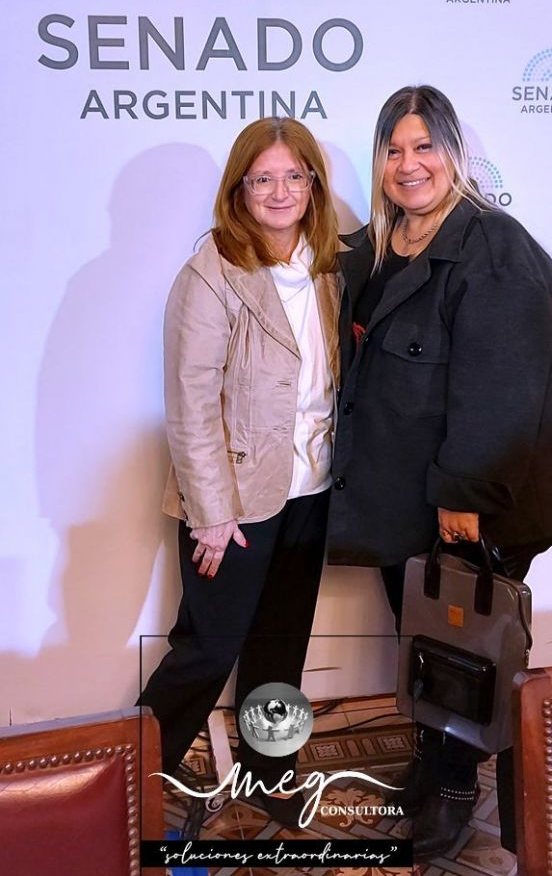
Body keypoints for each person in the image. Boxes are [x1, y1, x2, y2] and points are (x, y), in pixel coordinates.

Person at [327, 85, 552, 861]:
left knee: (465, 652)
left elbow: (504, 385)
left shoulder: (494, 246)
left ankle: (455, 786)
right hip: (405, 502)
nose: (408, 163)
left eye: (424, 146)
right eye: (393, 149)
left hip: (471, 504)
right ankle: (431, 763)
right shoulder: (384, 246)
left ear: (453, 153)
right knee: (423, 639)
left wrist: (466, 494)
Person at [139, 117, 341, 825]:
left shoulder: (328, 265)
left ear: (312, 185)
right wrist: (211, 513)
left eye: (294, 177)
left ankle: (269, 774)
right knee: (208, 648)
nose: (280, 192)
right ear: (240, 189)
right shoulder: (210, 274)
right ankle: (125, 782)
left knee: (281, 645)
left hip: (312, 488)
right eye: (263, 179)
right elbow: (190, 404)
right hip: (234, 502)